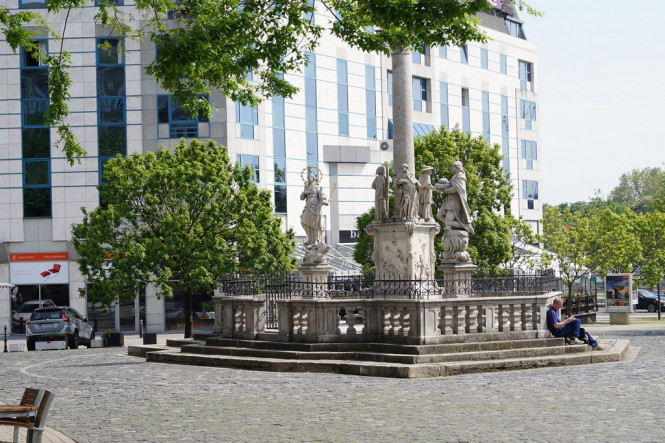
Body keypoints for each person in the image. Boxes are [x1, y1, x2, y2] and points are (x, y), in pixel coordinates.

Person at [435, 161, 474, 234]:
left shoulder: (460, 177)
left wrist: (443, 190)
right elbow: (449, 185)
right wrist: (439, 186)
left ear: (457, 167)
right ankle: (450, 226)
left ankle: (465, 226)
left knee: (448, 222)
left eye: (453, 167)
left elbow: (454, 189)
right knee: (439, 216)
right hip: (449, 201)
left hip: (455, 202)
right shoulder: (455, 177)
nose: (452, 169)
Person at [300, 173, 328, 246]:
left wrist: (324, 200)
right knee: (304, 221)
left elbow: (322, 194)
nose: (309, 178)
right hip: (308, 206)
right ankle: (310, 239)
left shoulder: (316, 186)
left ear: (313, 178)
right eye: (308, 177)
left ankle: (316, 240)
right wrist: (304, 192)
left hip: (315, 207)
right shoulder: (306, 187)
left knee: (315, 224)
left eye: (311, 177)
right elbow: (301, 198)